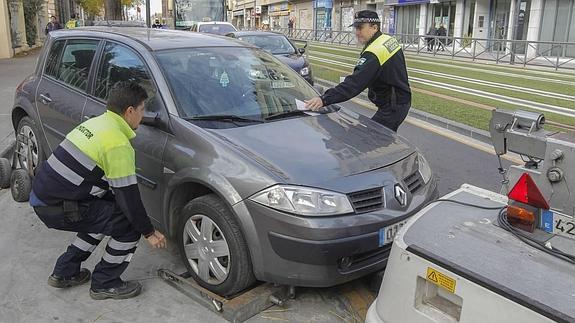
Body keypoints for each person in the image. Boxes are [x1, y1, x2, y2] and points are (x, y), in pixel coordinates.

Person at [30, 81, 167, 300]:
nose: (143, 115)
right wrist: (149, 232)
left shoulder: (98, 123)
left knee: (105, 214)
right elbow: (129, 198)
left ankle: (64, 272)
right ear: (129, 111)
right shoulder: (117, 144)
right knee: (128, 226)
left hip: (45, 197)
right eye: (142, 110)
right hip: (58, 206)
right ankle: (105, 282)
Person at [305, 10, 411, 132]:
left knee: (370, 139)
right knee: (382, 139)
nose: (357, 32)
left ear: (374, 27)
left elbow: (354, 84)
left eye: (360, 28)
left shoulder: (374, 52)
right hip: (398, 100)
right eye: (356, 28)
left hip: (393, 106)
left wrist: (324, 99)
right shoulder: (386, 40)